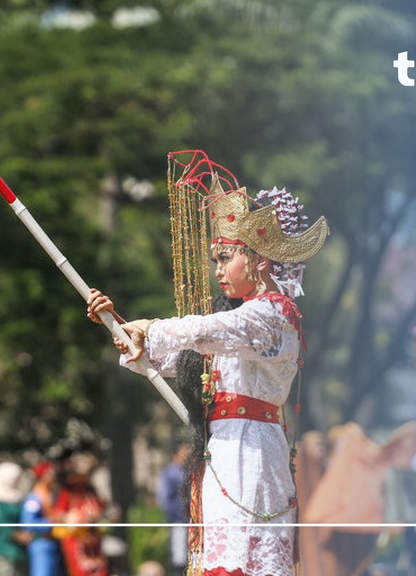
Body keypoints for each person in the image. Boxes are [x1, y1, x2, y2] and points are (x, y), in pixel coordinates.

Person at [87, 151, 329, 576]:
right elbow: (175, 359)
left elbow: (206, 330)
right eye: (215, 259)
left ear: (257, 259)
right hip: (223, 453)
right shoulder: (232, 325)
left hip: (253, 456)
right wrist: (124, 329)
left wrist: (151, 327)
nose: (217, 270)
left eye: (225, 258)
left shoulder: (274, 315)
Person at [0, 462, 29, 576]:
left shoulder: (19, 497)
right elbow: (1, 523)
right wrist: (17, 535)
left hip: (21, 551)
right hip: (5, 549)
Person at [20, 461, 62, 576]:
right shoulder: (34, 498)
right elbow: (28, 523)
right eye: (50, 473)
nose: (53, 476)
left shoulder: (52, 495)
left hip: (54, 542)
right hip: (41, 544)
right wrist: (51, 522)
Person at [157, 441, 191, 576]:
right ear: (176, 454)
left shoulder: (187, 471)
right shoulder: (170, 473)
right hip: (178, 521)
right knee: (179, 558)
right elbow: (166, 500)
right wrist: (180, 515)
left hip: (189, 522)